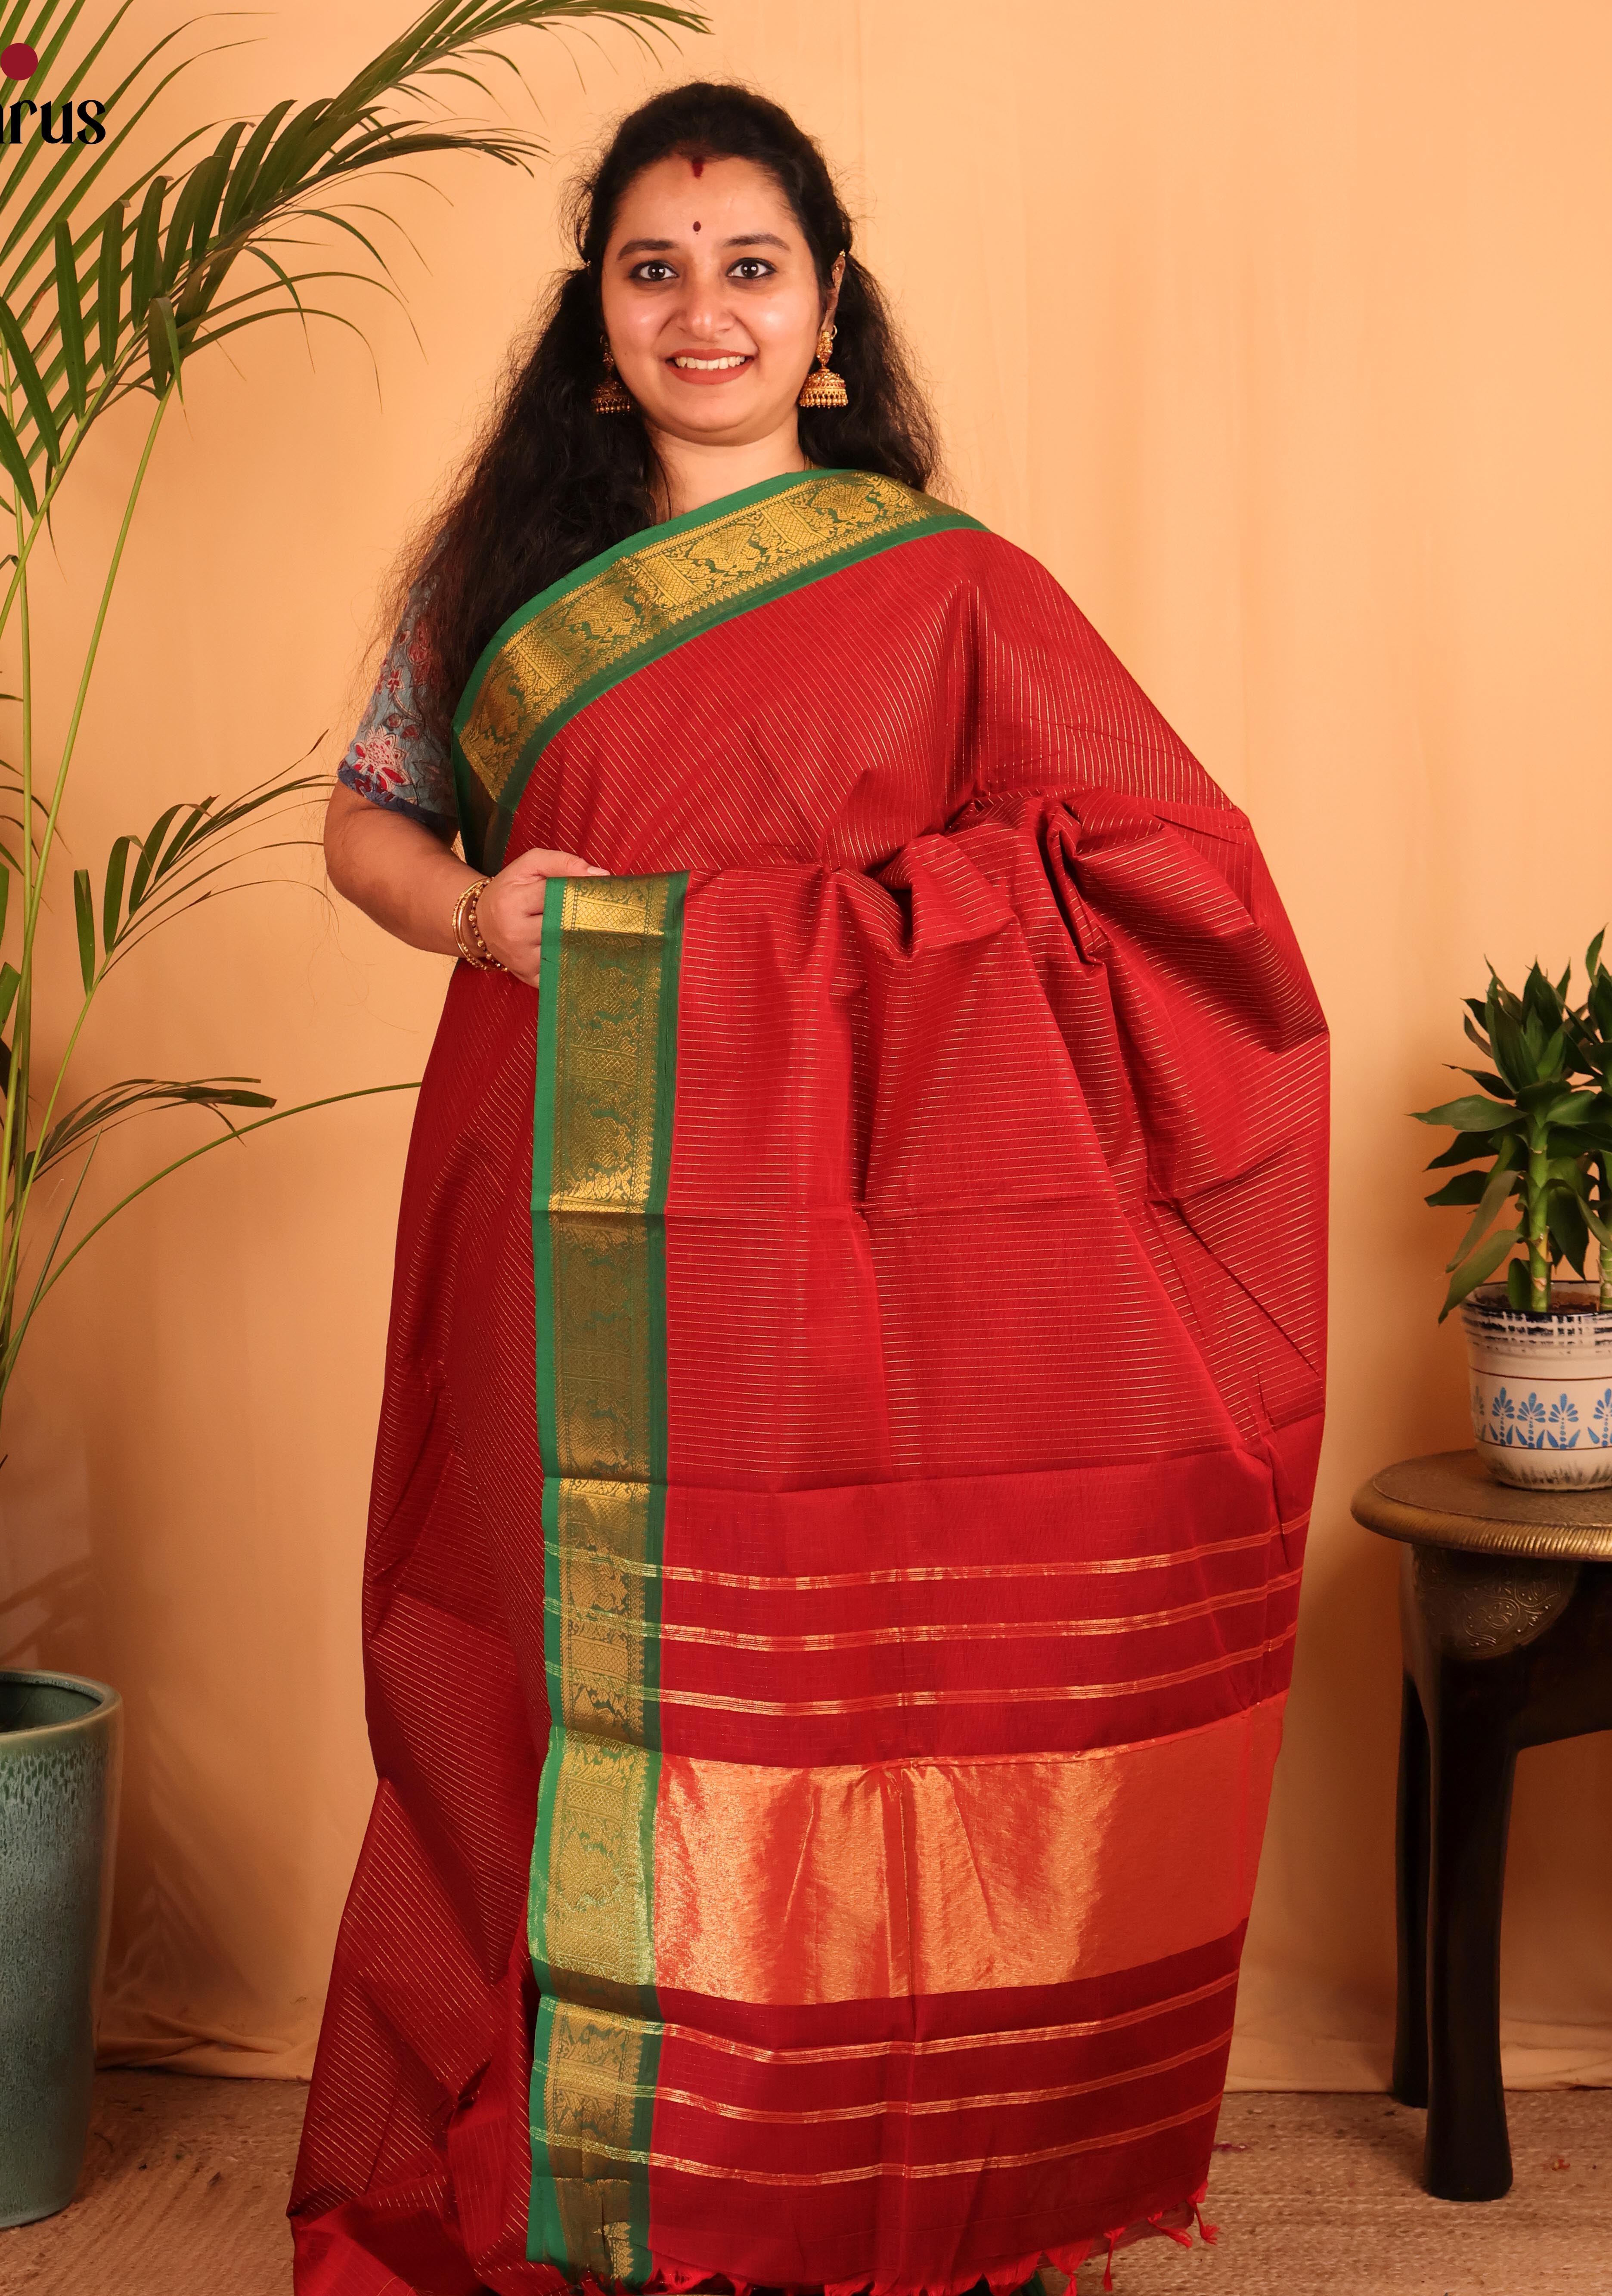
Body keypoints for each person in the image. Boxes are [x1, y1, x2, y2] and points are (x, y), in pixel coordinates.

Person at [291, 79, 1329, 2296]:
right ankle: (584, 2186)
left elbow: (1164, 876)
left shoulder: (944, 585)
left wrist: (828, 939)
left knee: (852, 1703)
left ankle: (850, 2180)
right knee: (554, 1665)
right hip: (551, 1204)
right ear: (596, 314)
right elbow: (369, 820)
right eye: (654, 271)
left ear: (826, 307)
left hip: (849, 1229)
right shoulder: (496, 575)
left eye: (750, 268)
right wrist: (476, 916)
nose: (705, 312)